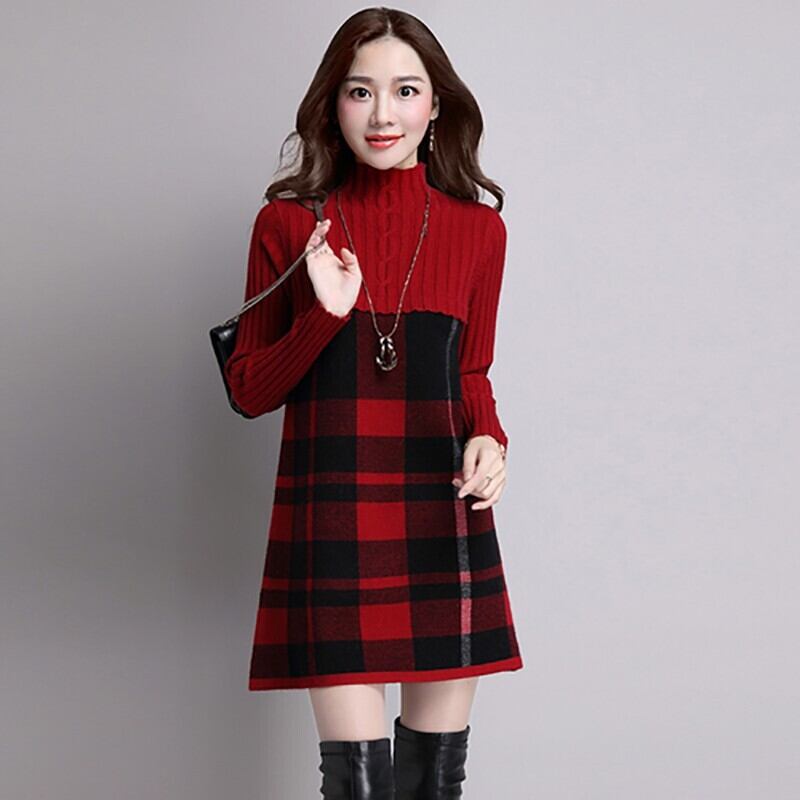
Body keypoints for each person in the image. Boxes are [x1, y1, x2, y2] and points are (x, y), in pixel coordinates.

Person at [224, 8, 524, 798]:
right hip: (336, 517)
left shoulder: (478, 233)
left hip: (442, 506)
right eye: (360, 91)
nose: (383, 113)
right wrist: (324, 315)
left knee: (435, 784)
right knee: (358, 784)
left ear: (436, 106)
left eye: (405, 90)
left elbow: (472, 373)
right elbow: (250, 389)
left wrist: (490, 440)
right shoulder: (289, 225)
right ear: (333, 105)